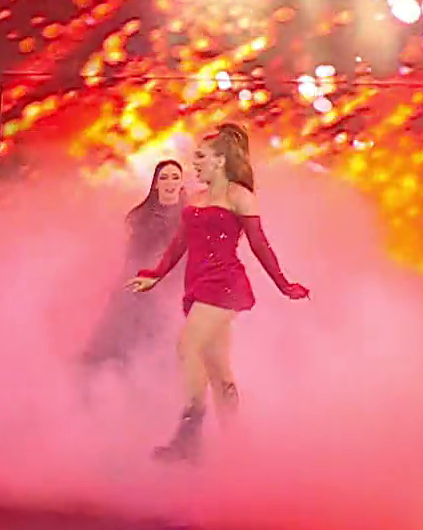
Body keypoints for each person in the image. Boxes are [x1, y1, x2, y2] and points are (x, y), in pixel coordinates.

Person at [127, 124, 310, 461]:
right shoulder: (196, 199)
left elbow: (260, 245)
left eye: (200, 157)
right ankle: (235, 445)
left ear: (220, 161)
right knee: (219, 371)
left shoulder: (240, 197)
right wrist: (155, 274)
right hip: (197, 285)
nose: (194, 164)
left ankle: (189, 436)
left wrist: (284, 285)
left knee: (187, 345)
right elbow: (180, 243)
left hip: (225, 285)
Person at [80, 160, 186, 372]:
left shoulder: (192, 216)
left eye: (175, 177)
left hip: (177, 289)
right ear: (155, 184)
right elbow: (133, 257)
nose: (170, 183)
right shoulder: (141, 217)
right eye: (164, 178)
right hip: (142, 288)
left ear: (182, 183)